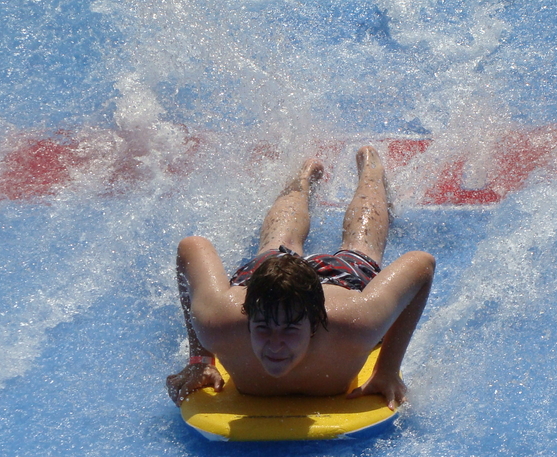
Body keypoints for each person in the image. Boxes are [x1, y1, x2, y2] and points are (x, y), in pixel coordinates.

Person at [166, 145, 435, 410]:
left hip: (338, 282)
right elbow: (191, 246)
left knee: (362, 246)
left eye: (291, 330)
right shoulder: (217, 324)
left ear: (317, 323)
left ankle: (371, 169)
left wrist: (388, 369)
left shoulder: (358, 323)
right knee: (278, 243)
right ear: (247, 317)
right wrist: (200, 359)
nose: (275, 345)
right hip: (267, 285)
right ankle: (306, 174)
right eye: (262, 328)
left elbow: (422, 264)